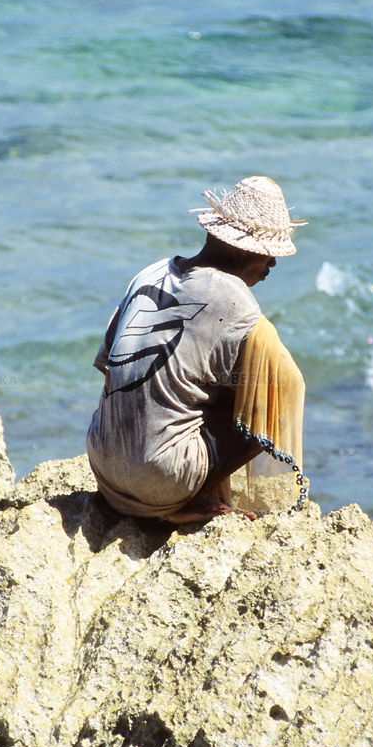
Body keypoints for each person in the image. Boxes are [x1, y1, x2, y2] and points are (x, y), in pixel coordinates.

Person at [86, 176, 308, 524]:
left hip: (102, 465)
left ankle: (167, 478)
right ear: (242, 250)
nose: (273, 266)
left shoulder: (150, 273)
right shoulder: (233, 299)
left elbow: (108, 367)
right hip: (160, 481)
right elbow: (280, 391)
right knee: (271, 391)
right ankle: (185, 502)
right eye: (268, 256)